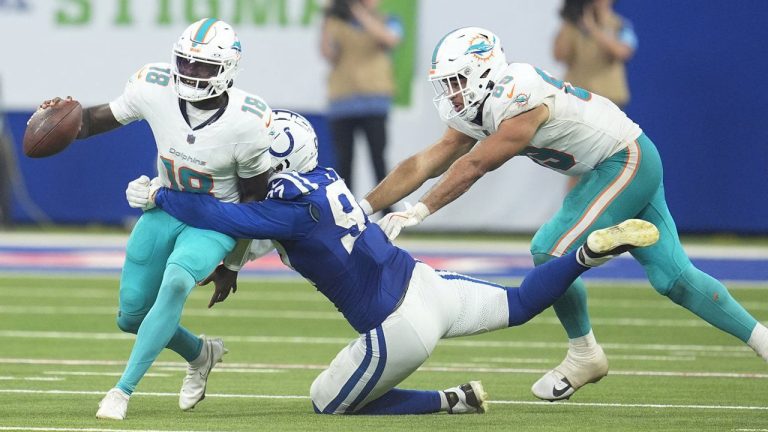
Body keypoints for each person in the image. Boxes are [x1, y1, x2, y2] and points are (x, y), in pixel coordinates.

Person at [125, 109, 660, 415]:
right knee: (520, 302)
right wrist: (234, 263)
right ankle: (586, 254)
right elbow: (260, 230)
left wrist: (160, 196)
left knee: (325, 403)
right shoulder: (328, 180)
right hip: (425, 281)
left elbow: (224, 217)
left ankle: (449, 401)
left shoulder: (289, 210)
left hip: (397, 325)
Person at [360, 27, 768, 401]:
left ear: (485, 70)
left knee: (550, 248)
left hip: (625, 161)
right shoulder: (482, 104)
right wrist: (363, 206)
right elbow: (424, 161)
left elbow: (475, 165)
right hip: (618, 164)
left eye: (457, 81)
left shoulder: (516, 93)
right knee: (674, 279)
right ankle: (764, 341)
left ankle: (583, 353)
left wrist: (419, 211)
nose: (451, 93)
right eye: (447, 84)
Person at [38, 18, 275, 419]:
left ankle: (121, 390)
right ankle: (202, 353)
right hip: (164, 207)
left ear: (228, 69)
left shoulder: (249, 121)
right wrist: (64, 118)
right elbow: (98, 120)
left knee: (177, 280)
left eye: (203, 66)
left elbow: (255, 201)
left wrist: (232, 264)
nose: (191, 73)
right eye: (186, 62)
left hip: (214, 221)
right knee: (131, 317)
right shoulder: (154, 85)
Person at [320, 0, 401, 201]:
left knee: (378, 160)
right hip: (342, 102)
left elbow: (390, 39)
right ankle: (345, 212)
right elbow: (328, 54)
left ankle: (387, 210)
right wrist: (327, 18)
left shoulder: (387, 19)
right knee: (344, 163)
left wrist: (359, 13)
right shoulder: (337, 22)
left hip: (374, 101)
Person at [554, 0, 637, 190]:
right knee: (578, 161)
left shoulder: (620, 25)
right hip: (579, 101)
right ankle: (574, 214)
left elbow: (622, 51)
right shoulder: (574, 26)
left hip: (609, 100)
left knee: (609, 161)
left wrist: (594, 29)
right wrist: (569, 22)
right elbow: (559, 55)